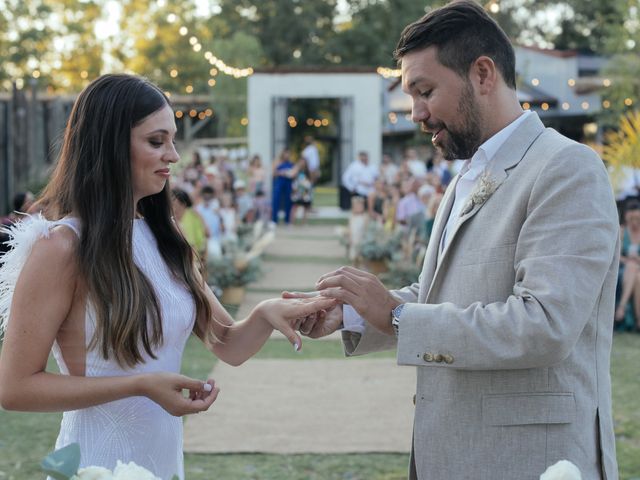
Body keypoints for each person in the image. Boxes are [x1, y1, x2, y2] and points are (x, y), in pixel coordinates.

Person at [290, 2, 619, 479]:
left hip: (528, 460)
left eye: (425, 91)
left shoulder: (567, 168)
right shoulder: (468, 174)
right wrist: (354, 311)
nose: (416, 113)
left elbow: (545, 324)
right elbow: (445, 298)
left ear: (482, 74)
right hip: (450, 453)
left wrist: (397, 316)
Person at [0, 74, 334, 480]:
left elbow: (228, 345)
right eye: (156, 141)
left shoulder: (166, 235)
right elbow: (15, 388)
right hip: (94, 463)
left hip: (164, 461)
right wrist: (139, 385)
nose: (173, 156)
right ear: (110, 145)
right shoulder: (62, 248)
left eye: (172, 140)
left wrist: (265, 312)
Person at [615, 200, 640, 329]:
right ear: (626, 217)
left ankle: (622, 309)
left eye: (637, 218)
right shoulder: (622, 231)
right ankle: (634, 317)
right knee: (633, 269)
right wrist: (628, 260)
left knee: (638, 276)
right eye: (631, 219)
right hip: (623, 268)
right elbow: (616, 256)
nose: (634, 222)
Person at [271, 148, 295, 225]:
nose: (287, 155)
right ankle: (274, 220)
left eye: (288, 153)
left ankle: (287, 220)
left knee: (288, 201)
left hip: (288, 183)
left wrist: (290, 174)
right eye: (285, 153)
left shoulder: (291, 164)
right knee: (276, 200)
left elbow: (294, 174)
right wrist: (280, 173)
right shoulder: (277, 162)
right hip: (279, 182)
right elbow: (273, 174)